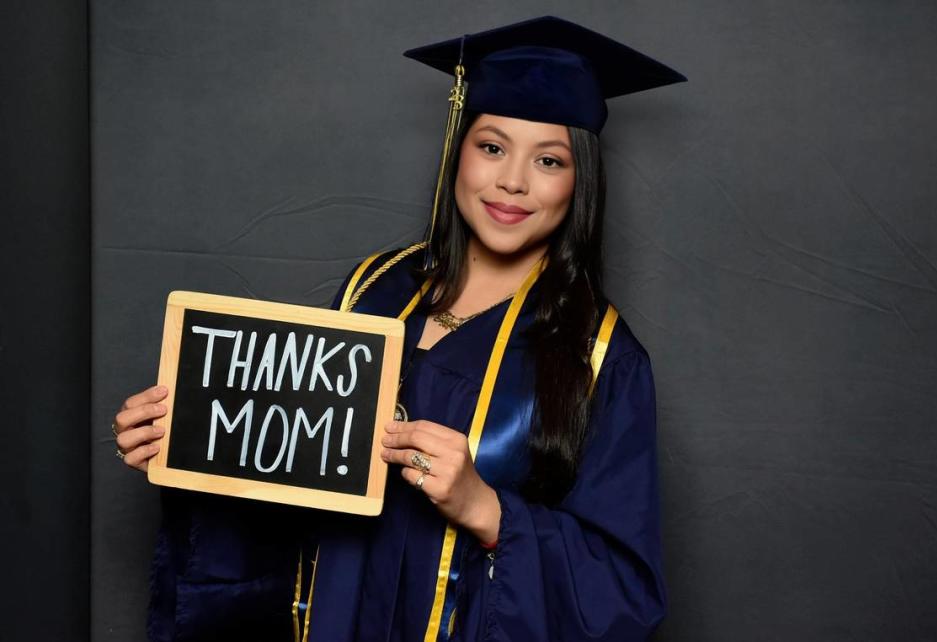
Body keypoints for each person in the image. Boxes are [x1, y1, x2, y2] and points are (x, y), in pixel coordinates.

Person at [112, 16, 685, 642]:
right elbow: (292, 481)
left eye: (549, 160)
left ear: (580, 184)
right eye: (491, 146)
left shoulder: (600, 356)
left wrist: (487, 511)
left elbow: (624, 590)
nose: (513, 181)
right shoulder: (372, 289)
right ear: (457, 149)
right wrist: (193, 442)